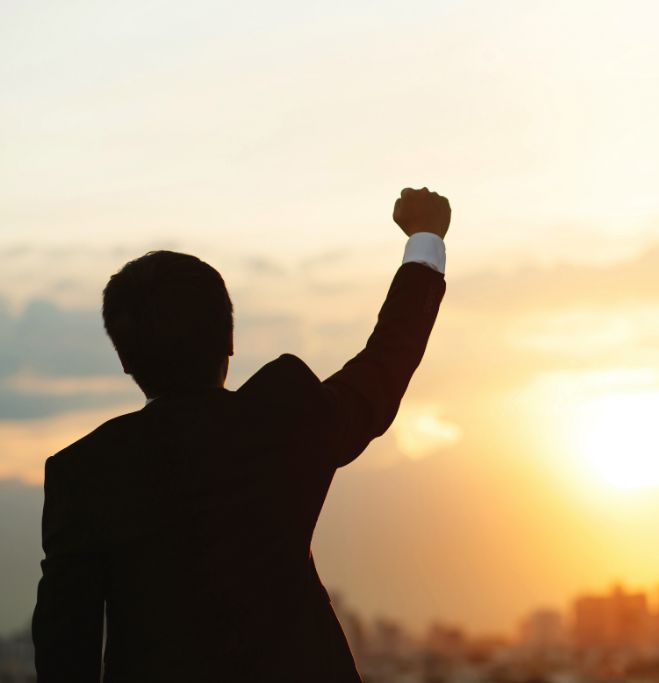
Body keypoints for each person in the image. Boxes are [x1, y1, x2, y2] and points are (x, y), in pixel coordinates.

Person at [31, 188, 451, 682]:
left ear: (125, 360)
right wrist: (426, 240)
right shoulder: (282, 418)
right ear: (229, 339)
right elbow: (382, 367)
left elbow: (64, 649)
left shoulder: (82, 473)